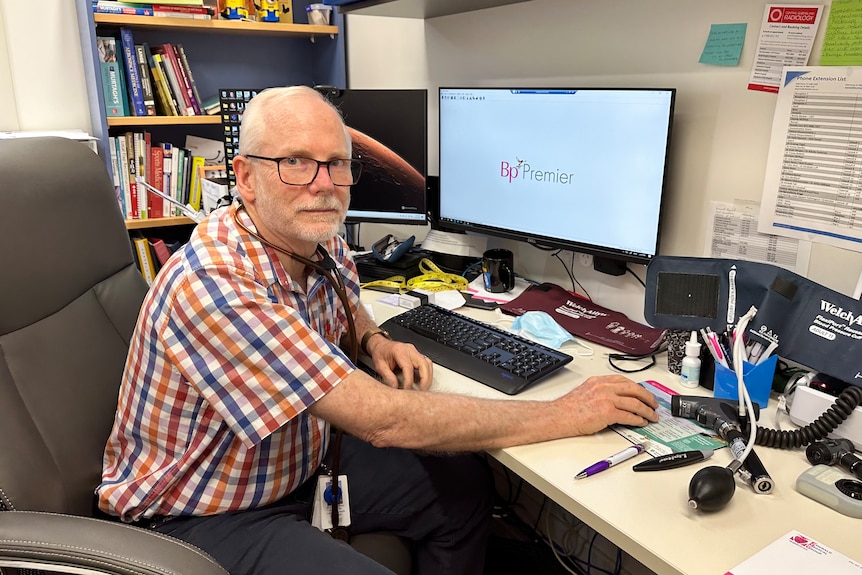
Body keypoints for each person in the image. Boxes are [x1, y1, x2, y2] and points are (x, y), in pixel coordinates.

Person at [97, 85, 659, 575]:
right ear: (245, 176)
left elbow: (347, 302)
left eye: (337, 163)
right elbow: (385, 421)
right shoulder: (218, 286)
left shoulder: (316, 237)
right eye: (295, 162)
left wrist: (373, 339)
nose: (324, 184)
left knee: (462, 489)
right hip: (201, 511)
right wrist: (565, 413)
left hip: (293, 463)